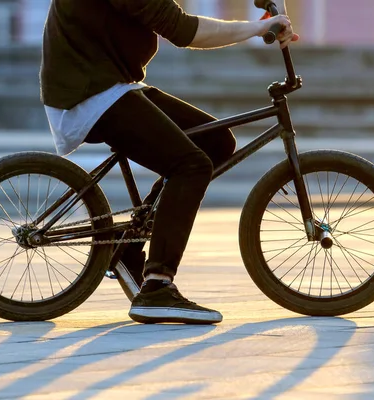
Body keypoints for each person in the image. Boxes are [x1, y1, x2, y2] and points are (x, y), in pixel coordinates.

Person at [41, 0, 299, 324]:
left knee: (216, 142)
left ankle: (127, 247)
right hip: (88, 96)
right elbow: (184, 31)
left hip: (111, 86)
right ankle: (157, 286)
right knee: (191, 165)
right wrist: (258, 27)